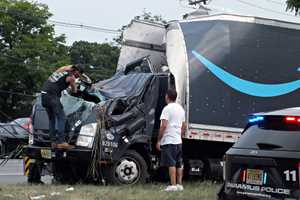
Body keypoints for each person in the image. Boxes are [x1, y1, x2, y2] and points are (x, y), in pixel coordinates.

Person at [41, 64, 84, 149]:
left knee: (52, 119)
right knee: (62, 118)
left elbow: (66, 67)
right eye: (78, 74)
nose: (77, 76)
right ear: (76, 71)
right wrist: (75, 86)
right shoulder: (71, 77)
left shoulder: (61, 70)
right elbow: (74, 90)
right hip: (52, 97)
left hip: (43, 96)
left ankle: (53, 142)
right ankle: (61, 142)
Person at [156, 88, 186, 192]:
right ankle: (179, 185)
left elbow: (163, 125)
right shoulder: (180, 109)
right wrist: (180, 135)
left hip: (169, 140)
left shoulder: (167, 109)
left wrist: (159, 140)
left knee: (171, 163)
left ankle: (172, 185)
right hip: (178, 141)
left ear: (167, 97)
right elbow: (184, 126)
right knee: (178, 163)